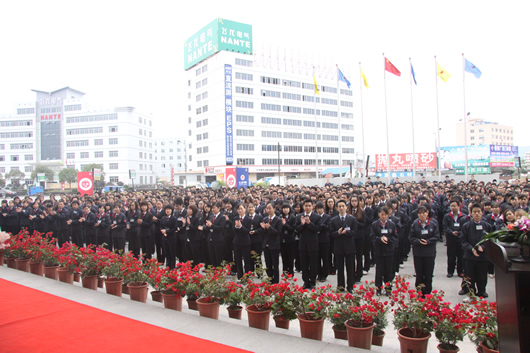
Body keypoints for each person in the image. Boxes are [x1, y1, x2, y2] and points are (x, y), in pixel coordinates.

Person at [460, 202, 493, 298]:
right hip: (469, 256)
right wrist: (471, 248)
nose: (477, 214)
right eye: (474, 212)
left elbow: (490, 240)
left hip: (483, 256)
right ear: (471, 213)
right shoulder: (466, 226)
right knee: (470, 275)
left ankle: (482, 290)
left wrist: (483, 247)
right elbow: (463, 240)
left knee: (482, 275)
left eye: (479, 211)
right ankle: (471, 291)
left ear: (482, 213)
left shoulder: (487, 226)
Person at [408, 205, 440, 296]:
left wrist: (428, 241)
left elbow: (437, 236)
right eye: (420, 213)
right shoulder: (415, 224)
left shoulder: (433, 223)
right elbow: (411, 237)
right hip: (418, 252)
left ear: (427, 213)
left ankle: (428, 292)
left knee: (428, 273)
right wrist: (418, 241)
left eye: (424, 213)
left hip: (429, 252)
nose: (422, 215)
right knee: (419, 273)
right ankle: (419, 291)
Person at [329, 199, 357, 292]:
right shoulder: (333, 220)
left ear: (346, 207)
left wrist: (347, 232)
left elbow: (355, 232)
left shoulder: (352, 219)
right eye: (339, 206)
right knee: (340, 268)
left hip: (350, 247)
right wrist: (338, 233)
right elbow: (331, 233)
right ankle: (340, 286)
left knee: (350, 267)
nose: (341, 208)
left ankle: (350, 286)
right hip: (338, 247)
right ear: (337, 208)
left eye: (343, 206)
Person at [295, 198, 322, 289]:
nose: (307, 207)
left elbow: (318, 229)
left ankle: (312, 281)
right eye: (306, 206)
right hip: (302, 244)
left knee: (313, 264)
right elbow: (296, 229)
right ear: (303, 206)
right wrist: (302, 224)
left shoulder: (317, 217)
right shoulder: (299, 217)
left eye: (309, 206)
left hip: (313, 244)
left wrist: (309, 223)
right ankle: (306, 281)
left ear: (312, 206)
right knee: (304, 264)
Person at [371, 206, 397, 295]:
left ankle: (388, 288)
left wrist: (388, 239)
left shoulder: (392, 225)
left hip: (389, 251)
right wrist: (379, 239)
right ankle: (378, 288)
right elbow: (372, 237)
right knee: (379, 270)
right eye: (382, 215)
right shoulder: (374, 224)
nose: (383, 217)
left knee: (388, 270)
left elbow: (395, 237)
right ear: (379, 214)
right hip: (379, 251)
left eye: (385, 215)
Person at [442, 199, 468, 278]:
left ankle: (460, 271)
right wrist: (451, 232)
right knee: (451, 256)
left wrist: (459, 233)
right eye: (451, 206)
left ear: (459, 206)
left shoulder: (463, 216)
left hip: (460, 239)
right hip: (451, 239)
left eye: (454, 206)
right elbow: (445, 226)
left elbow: (465, 227)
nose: (452, 208)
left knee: (460, 256)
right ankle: (450, 271)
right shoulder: (447, 216)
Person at [260, 202, 283, 284]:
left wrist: (269, 227)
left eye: (270, 208)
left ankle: (276, 280)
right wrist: (264, 228)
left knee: (275, 264)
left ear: (274, 209)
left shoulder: (278, 220)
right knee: (268, 264)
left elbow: (278, 232)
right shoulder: (265, 219)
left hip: (274, 245)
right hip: (266, 244)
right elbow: (264, 233)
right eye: (267, 208)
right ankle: (270, 278)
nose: (268, 210)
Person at [233, 204, 252, 279]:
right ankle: (239, 276)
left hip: (245, 242)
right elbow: (233, 231)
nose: (240, 210)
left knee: (247, 260)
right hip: (237, 242)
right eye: (238, 209)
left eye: (241, 209)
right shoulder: (235, 218)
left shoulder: (248, 219)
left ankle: (246, 276)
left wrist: (240, 226)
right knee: (238, 260)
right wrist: (236, 227)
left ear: (245, 209)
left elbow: (247, 231)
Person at [205, 201, 226, 267]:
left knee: (218, 256)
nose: (213, 209)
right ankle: (214, 270)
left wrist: (211, 226)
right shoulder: (211, 217)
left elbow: (221, 228)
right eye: (212, 208)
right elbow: (209, 227)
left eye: (214, 208)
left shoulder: (222, 217)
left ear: (219, 208)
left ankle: (219, 271)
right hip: (210, 238)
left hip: (218, 239)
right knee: (212, 256)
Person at [315, 201, 331, 282]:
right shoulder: (315, 217)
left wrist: (320, 225)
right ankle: (319, 273)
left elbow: (328, 227)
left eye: (320, 208)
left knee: (325, 258)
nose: (318, 210)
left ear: (323, 209)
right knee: (317, 258)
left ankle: (324, 274)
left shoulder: (327, 217)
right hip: (316, 240)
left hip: (324, 240)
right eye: (317, 209)